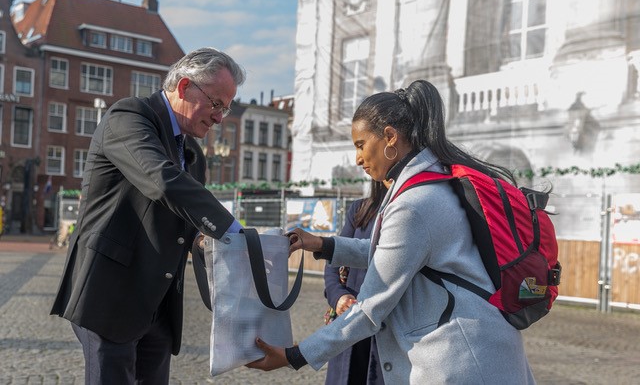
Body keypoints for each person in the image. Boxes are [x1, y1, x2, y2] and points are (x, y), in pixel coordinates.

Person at [247, 80, 536, 383]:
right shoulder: (432, 183)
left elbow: (371, 308)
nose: (357, 158)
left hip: (462, 364)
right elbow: (392, 255)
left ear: (389, 137)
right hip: (477, 354)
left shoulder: (414, 203)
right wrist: (320, 243)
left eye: (360, 145)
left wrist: (295, 355)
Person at [50, 47, 246, 384]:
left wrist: (211, 246)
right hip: (110, 297)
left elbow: (184, 225)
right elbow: (162, 181)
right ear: (184, 87)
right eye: (216, 104)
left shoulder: (193, 153)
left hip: (158, 306)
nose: (219, 118)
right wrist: (235, 232)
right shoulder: (128, 117)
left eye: (225, 109)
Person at [324, 180, 387, 385]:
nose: (359, 159)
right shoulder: (361, 209)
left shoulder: (414, 208)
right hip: (350, 321)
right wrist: (338, 296)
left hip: (387, 331)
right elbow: (335, 260)